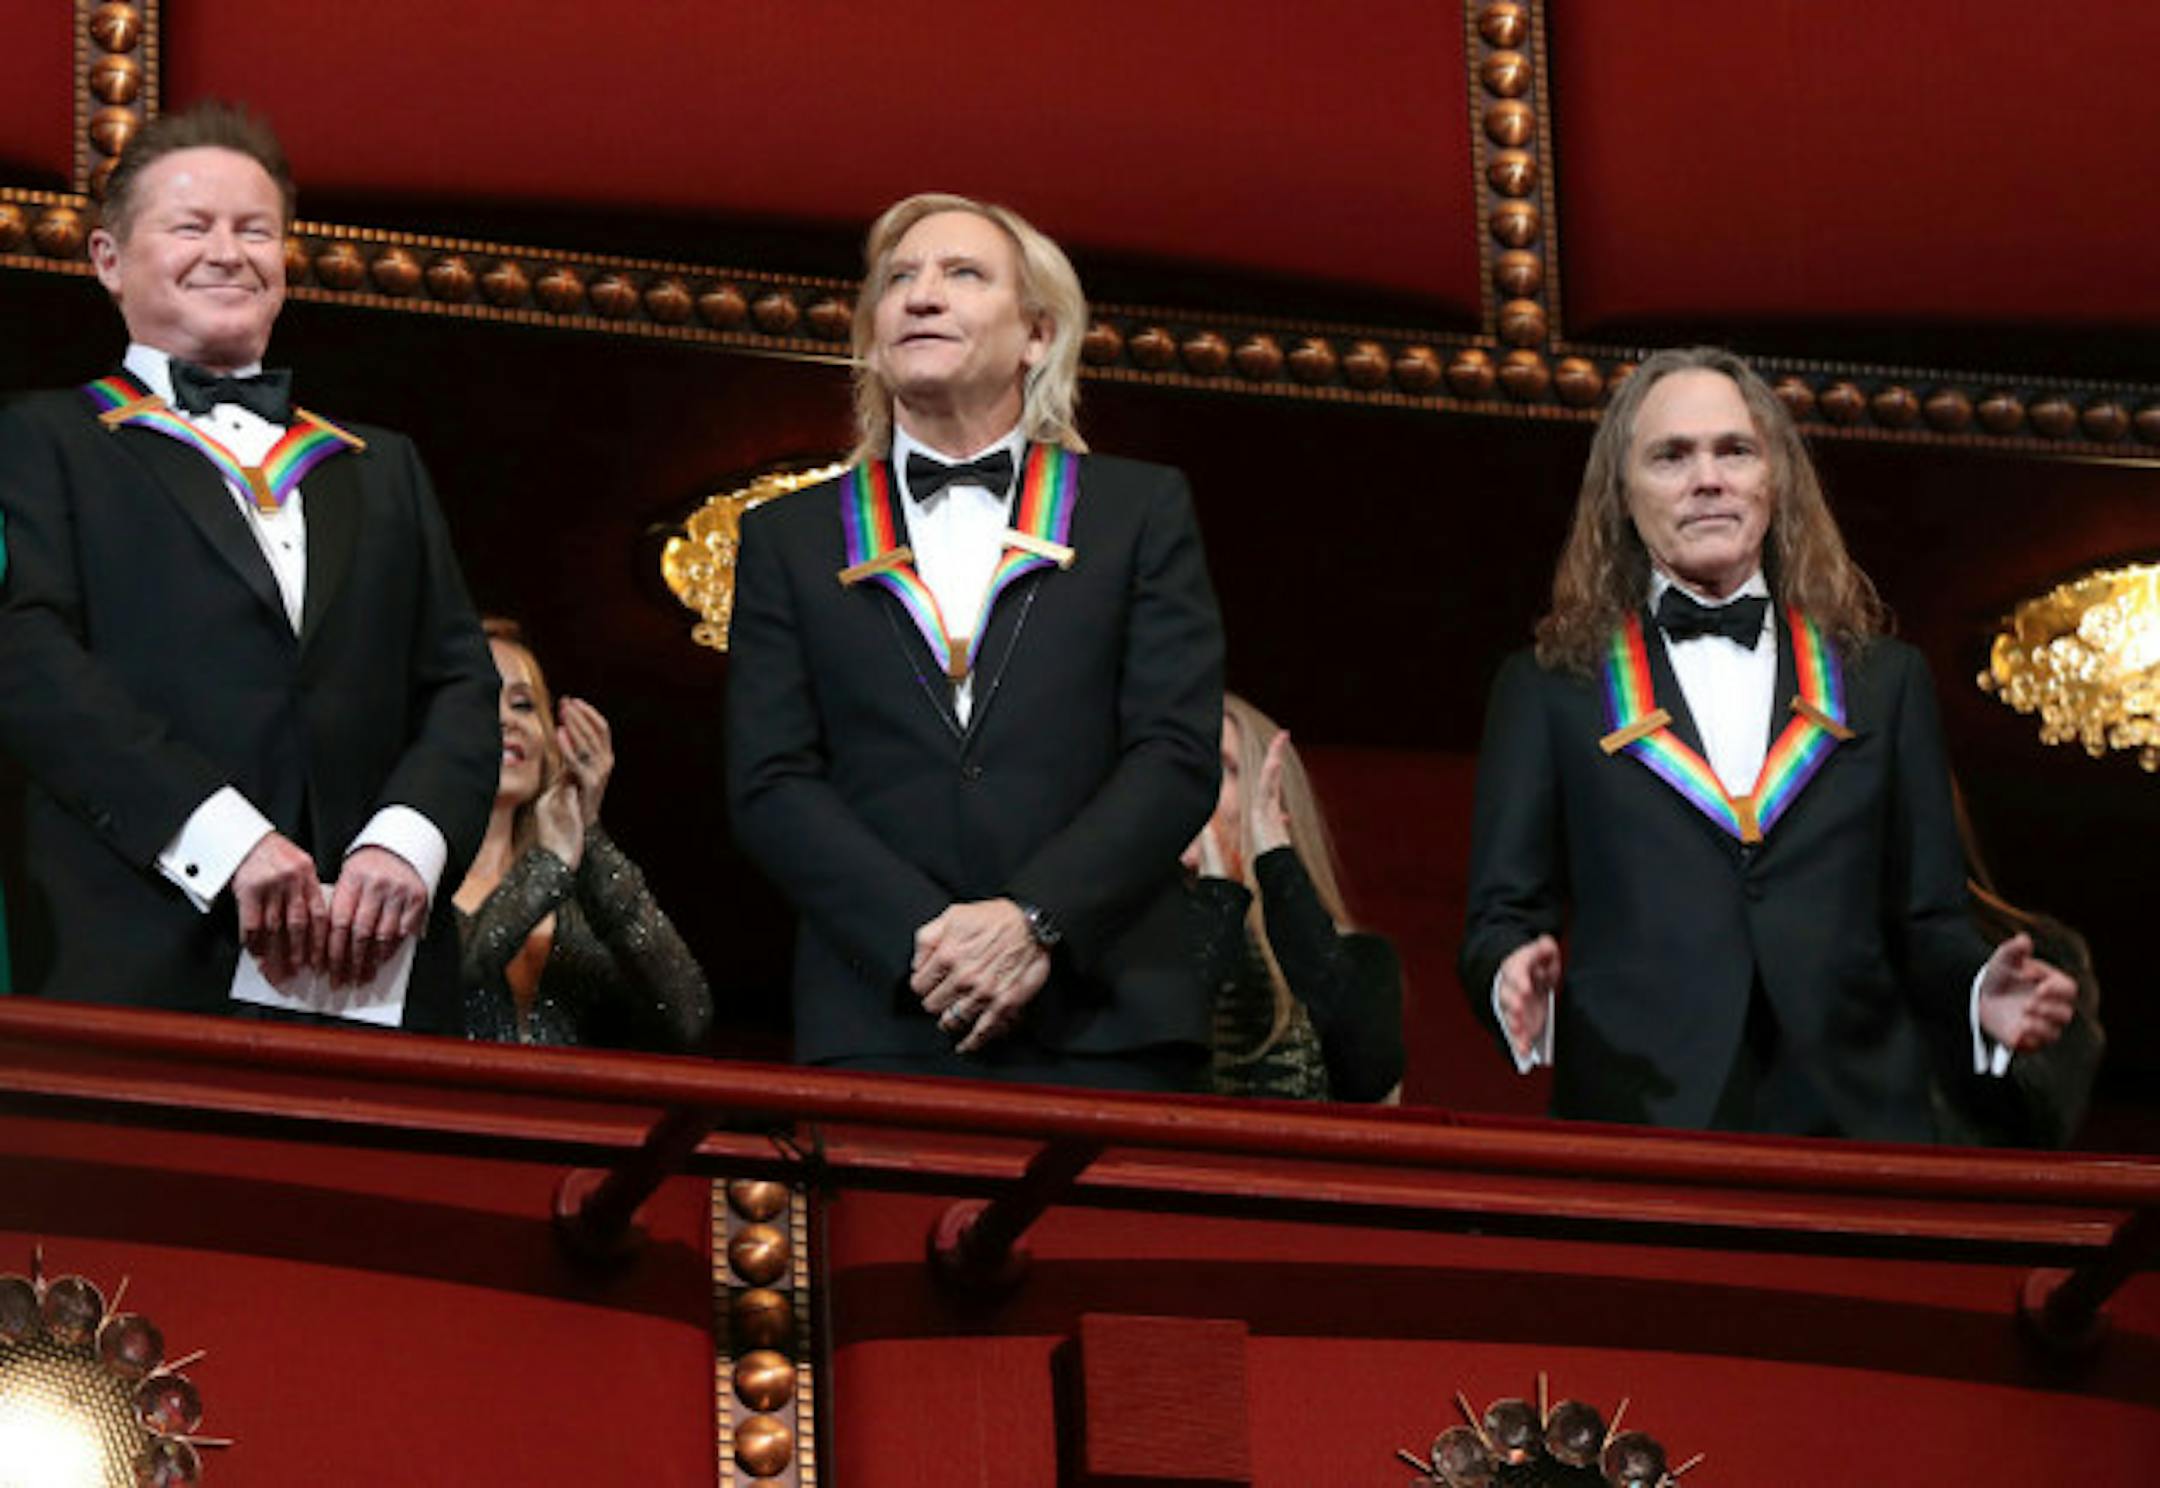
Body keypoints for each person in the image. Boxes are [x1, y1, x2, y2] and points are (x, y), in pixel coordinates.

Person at [1458, 346, 2076, 1138]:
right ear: (1621, 494)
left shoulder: (1887, 681)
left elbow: (1930, 922)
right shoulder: (1549, 688)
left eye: (1734, 450)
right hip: (1638, 1119)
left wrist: (1977, 991)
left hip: (1858, 1123)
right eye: (1671, 456)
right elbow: (1499, 918)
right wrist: (1512, 974)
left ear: (1774, 479)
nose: (1707, 477)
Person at [0, 102, 498, 1031]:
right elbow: (29, 662)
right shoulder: (39, 440)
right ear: (108, 261)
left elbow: (462, 686)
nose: (227, 252)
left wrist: (405, 845)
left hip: (373, 980)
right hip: (139, 963)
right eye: (191, 226)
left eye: (254, 229)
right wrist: (227, 842)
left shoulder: (380, 465)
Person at [726, 191, 1224, 1090]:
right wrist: (927, 938)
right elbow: (771, 780)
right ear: (874, 331)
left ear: (1036, 334)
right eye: (898, 280)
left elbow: (1174, 754)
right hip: (882, 1016)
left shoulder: (1138, 511)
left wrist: (1035, 919)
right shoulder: (788, 537)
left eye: (963, 274)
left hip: (1107, 1020)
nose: (921, 296)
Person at [454, 620, 711, 1050]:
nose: (507, 720)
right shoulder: (405, 877)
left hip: (572, 1116)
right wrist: (547, 868)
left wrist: (587, 833)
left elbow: (688, 1016)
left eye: (523, 704)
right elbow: (442, 988)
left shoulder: (582, 896)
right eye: (481, 700)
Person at [1183, 693, 1403, 1102]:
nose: (1197, 785)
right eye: (1183, 765)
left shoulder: (1362, 959)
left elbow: (1370, 1076)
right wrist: (1217, 896)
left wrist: (1278, 867)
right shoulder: (1126, 950)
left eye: (1225, 768)